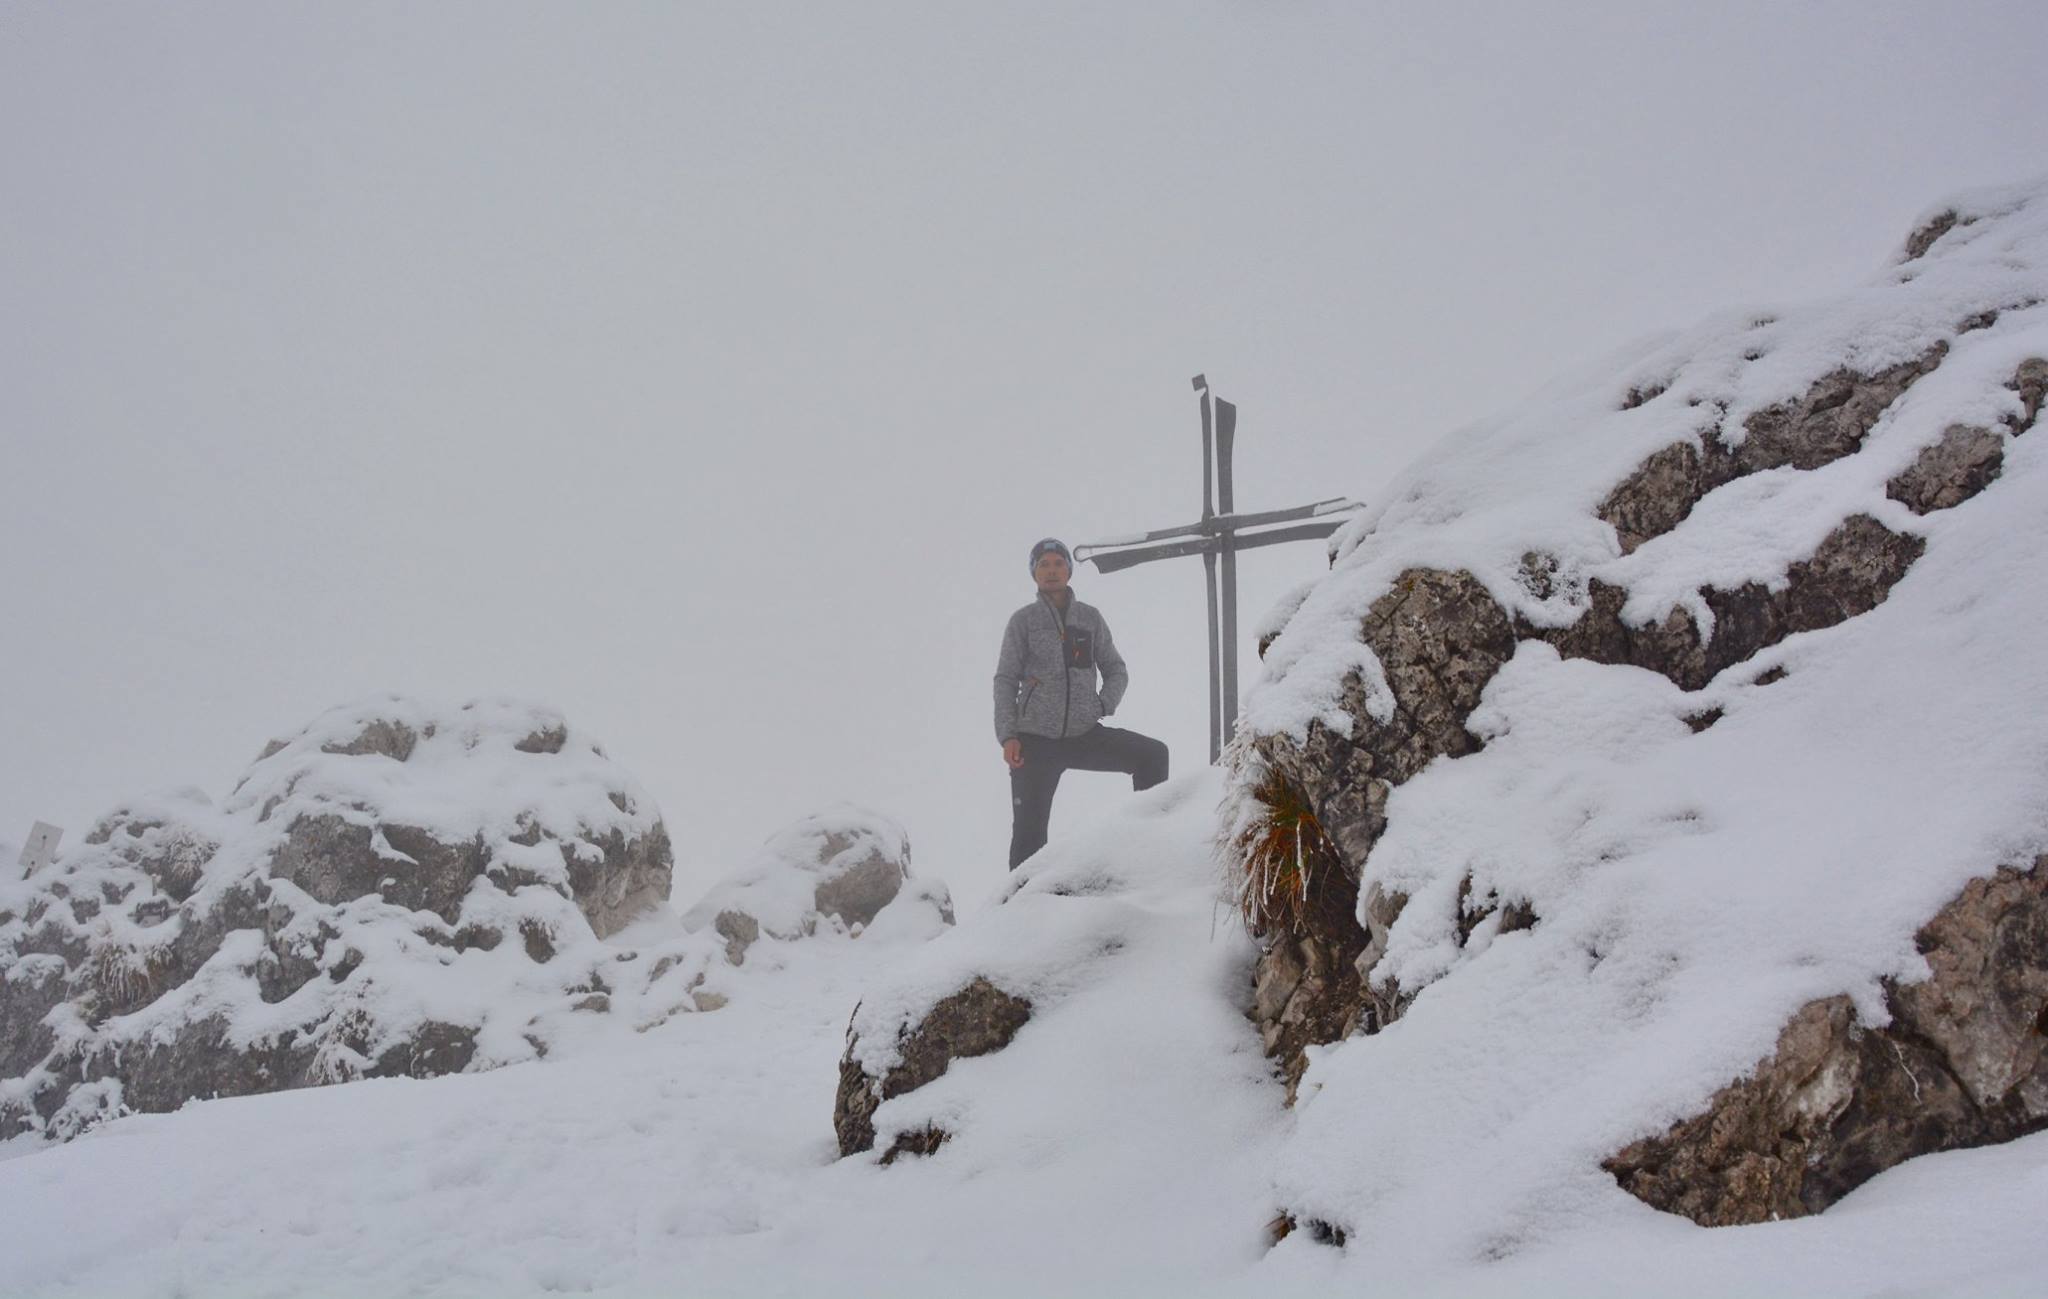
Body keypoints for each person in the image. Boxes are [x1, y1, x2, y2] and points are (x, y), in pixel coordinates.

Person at [994, 537, 1169, 869]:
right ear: (1034, 573)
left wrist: (1101, 706)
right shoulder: (1024, 621)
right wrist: (1008, 735)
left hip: (1084, 734)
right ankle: (1018, 910)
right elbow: (1005, 679)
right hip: (1035, 743)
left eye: (1058, 563)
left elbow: (1116, 669)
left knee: (1153, 755)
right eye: (1043, 564)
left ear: (1069, 571)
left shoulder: (1089, 618)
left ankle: (1150, 855)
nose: (1051, 571)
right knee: (1029, 838)